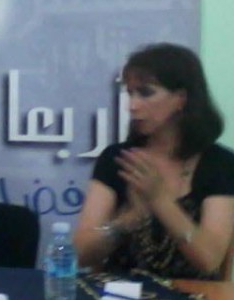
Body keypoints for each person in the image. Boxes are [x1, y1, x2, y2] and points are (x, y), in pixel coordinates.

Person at [74, 43, 234, 280]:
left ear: (181, 98)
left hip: (194, 297)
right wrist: (125, 221)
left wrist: (159, 200)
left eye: (146, 93)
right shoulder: (118, 159)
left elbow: (209, 260)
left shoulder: (219, 163)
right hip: (120, 294)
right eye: (130, 93)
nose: (132, 106)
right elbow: (79, 254)